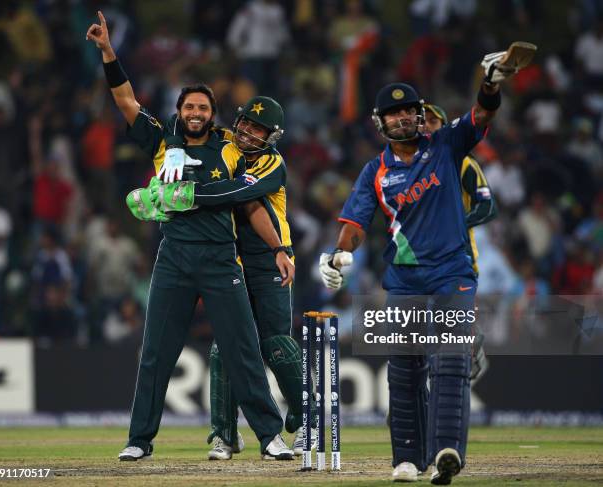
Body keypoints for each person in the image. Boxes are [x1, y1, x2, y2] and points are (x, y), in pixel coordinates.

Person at [86, 10, 293, 461]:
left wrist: (278, 246)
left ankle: (269, 437)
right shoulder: (163, 140)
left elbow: (252, 205)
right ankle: (139, 440)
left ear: (211, 114)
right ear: (179, 111)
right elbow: (124, 101)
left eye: (202, 107)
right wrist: (108, 53)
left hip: (222, 259)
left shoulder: (231, 147)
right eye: (189, 107)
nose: (195, 113)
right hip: (174, 257)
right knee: (156, 353)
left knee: (242, 350)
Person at [319, 48, 526, 483]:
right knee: (404, 365)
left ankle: (447, 450)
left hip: (453, 272)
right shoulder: (374, 171)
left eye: (409, 111)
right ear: (380, 123)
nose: (402, 119)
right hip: (405, 279)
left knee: (451, 357)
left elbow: (483, 114)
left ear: (419, 115)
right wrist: (340, 253)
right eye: (392, 114)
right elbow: (355, 223)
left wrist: (490, 81)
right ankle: (407, 460)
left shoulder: (446, 145)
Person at [135, 96, 309, 460]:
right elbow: (181, 133)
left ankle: (306, 416)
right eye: (245, 124)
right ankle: (225, 435)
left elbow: (240, 196)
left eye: (257, 129)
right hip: (233, 258)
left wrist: (185, 196)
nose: (247, 133)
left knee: (276, 342)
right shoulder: (225, 147)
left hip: (269, 258)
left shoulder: (270, 161)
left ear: (271, 135)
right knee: (227, 346)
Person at [422, 103, 497, 382]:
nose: (428, 125)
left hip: (459, 257)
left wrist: (455, 223)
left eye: (434, 121)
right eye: (424, 120)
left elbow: (488, 206)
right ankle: (426, 392)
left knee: (448, 329)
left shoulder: (462, 162)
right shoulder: (411, 166)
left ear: (444, 127)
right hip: (421, 260)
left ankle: (465, 364)